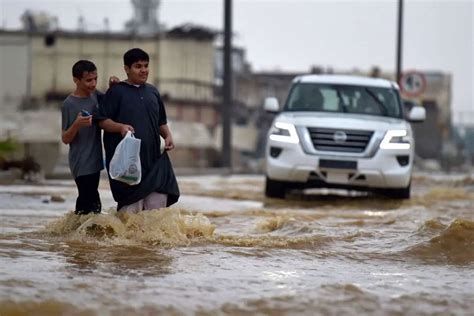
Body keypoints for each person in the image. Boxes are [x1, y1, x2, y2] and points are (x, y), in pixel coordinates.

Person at [96, 48, 180, 212]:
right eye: (138, 66)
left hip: (153, 163)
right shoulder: (116, 92)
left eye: (146, 66)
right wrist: (120, 127)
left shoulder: (153, 92)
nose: (143, 70)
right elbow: (102, 121)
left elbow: (160, 122)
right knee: (130, 218)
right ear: (126, 69)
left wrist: (168, 135)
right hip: (128, 165)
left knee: (156, 217)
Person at [61, 60, 116, 215]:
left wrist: (113, 87)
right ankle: (81, 233)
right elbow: (65, 138)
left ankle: (75, 234)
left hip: (95, 160)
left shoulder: (95, 95)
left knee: (88, 201)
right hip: (80, 161)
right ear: (76, 80)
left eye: (95, 79)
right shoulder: (69, 104)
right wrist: (77, 124)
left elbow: (110, 104)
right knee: (91, 200)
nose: (93, 84)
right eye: (88, 80)